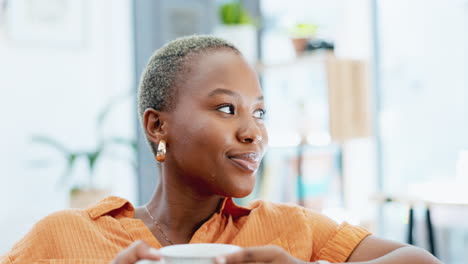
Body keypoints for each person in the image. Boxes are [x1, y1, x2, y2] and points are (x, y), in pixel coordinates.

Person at [1, 35, 441, 264]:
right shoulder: (61, 238)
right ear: (158, 125)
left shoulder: (291, 230)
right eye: (227, 108)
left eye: (261, 113)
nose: (253, 132)